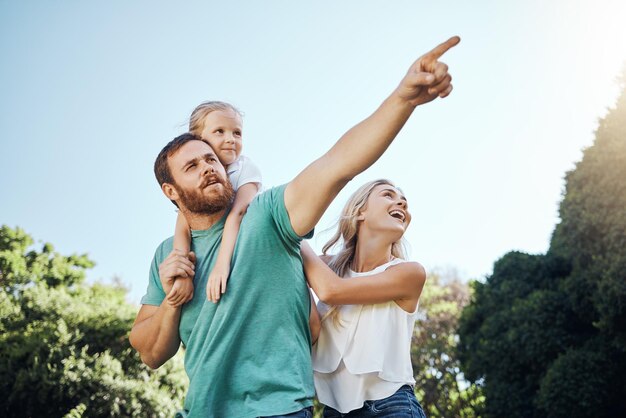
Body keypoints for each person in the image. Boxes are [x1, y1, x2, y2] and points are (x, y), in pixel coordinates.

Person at [129, 36, 459, 418]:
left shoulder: (269, 213)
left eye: (210, 159)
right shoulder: (167, 255)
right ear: (171, 190)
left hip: (281, 410)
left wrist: (403, 99)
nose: (207, 167)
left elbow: (338, 163)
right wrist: (172, 299)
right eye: (192, 166)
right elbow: (150, 352)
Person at [301, 179, 427, 417]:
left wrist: (294, 236)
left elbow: (332, 291)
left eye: (403, 201)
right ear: (360, 211)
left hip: (392, 407)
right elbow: (310, 329)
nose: (401, 202)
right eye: (388, 195)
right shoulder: (325, 267)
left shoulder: (409, 274)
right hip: (333, 411)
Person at [166, 101, 262, 307]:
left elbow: (239, 212)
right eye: (220, 131)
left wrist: (221, 264)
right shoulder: (197, 181)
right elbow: (183, 226)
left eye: (237, 133)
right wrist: (183, 276)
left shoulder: (244, 168)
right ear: (198, 138)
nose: (230, 139)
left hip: (266, 237)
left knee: (312, 321)